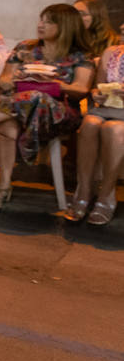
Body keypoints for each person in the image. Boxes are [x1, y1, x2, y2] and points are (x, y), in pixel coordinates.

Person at [0, 4, 94, 209]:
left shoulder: (80, 56)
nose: (41, 25)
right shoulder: (26, 48)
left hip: (58, 115)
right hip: (15, 110)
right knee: (6, 123)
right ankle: (3, 186)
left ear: (65, 26)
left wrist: (52, 84)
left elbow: (81, 89)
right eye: (41, 19)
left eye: (48, 21)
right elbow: (4, 82)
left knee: (36, 95)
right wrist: (19, 78)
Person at [73, 41, 124, 225]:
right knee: (90, 123)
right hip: (107, 108)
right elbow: (97, 86)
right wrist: (96, 94)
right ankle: (84, 190)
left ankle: (106, 195)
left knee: (114, 129)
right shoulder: (111, 52)